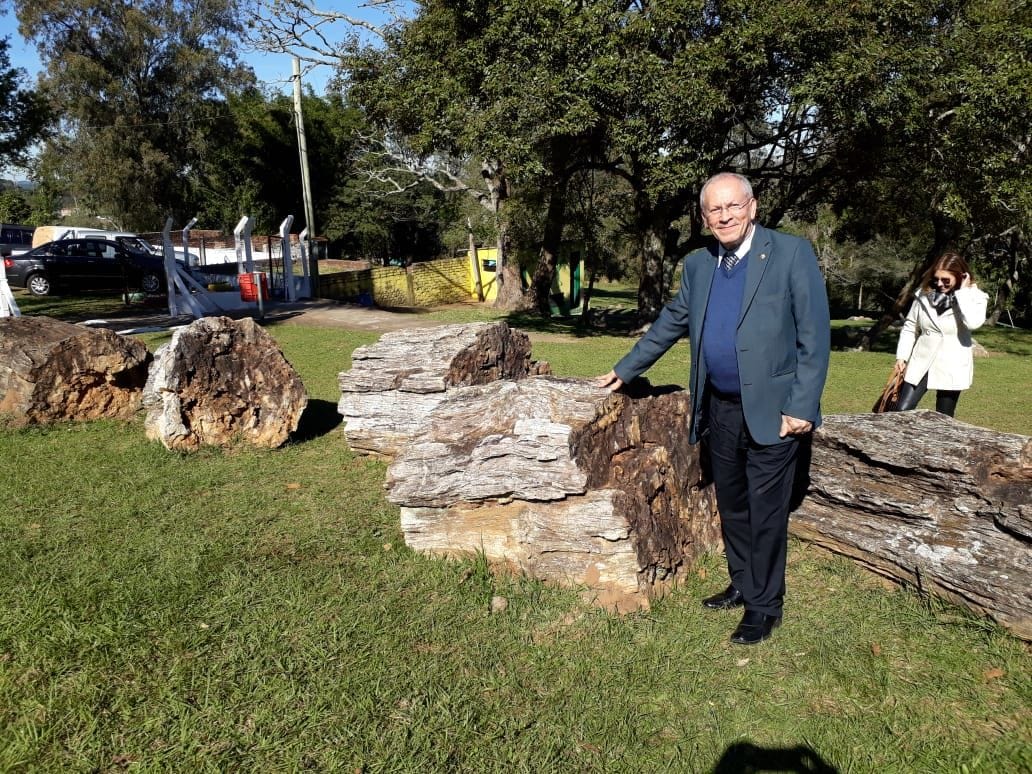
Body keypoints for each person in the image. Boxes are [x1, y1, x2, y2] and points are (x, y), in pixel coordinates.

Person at [595, 172, 830, 645]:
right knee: (734, 504)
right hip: (719, 407)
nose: (724, 216)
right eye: (714, 210)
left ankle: (765, 607)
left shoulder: (790, 253)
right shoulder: (700, 266)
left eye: (733, 206)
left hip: (776, 410)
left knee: (766, 512)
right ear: (704, 218)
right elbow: (672, 322)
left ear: (752, 207)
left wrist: (802, 405)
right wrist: (627, 368)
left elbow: (815, 334)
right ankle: (743, 584)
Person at [892, 252, 988, 417]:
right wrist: (902, 356)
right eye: (936, 279)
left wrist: (963, 293)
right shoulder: (923, 294)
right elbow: (910, 327)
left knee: (944, 417)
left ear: (961, 276)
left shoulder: (975, 297)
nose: (940, 284)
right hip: (921, 360)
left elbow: (973, 323)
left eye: (946, 280)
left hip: (952, 363)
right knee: (901, 410)